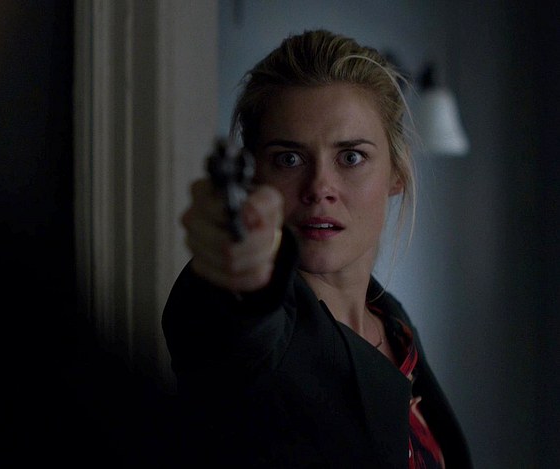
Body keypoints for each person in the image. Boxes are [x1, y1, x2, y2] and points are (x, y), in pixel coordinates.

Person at [162, 29, 473, 468]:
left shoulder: (393, 323)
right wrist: (238, 266)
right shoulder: (253, 328)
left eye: (351, 157)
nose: (319, 187)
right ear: (254, 177)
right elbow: (231, 324)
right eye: (288, 159)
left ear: (396, 174)